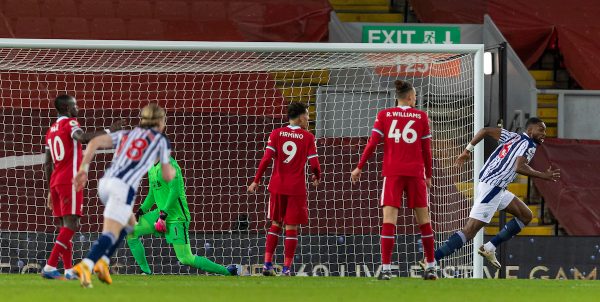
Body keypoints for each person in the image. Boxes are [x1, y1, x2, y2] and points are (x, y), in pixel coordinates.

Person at [434, 117, 560, 269]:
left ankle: (489, 247)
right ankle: (433, 258)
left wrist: (467, 150)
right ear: (530, 130)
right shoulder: (529, 144)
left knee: (526, 215)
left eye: (545, 130)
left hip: (495, 186)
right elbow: (519, 167)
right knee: (469, 232)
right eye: (541, 129)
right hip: (492, 187)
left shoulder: (512, 136)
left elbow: (485, 131)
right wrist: (543, 176)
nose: (544, 133)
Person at [72, 103, 175, 288]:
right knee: (111, 233)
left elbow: (94, 142)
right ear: (161, 122)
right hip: (122, 189)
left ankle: (103, 262)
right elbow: (167, 175)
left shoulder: (127, 134)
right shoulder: (161, 140)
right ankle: (86, 265)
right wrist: (174, 174)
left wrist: (83, 169)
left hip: (104, 184)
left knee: (130, 226)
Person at [351, 80, 437, 280]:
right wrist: (429, 175)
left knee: (389, 221)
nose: (415, 99)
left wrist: (359, 167)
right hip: (416, 173)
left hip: (393, 173)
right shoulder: (422, 117)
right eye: (414, 96)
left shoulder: (384, 115)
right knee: (424, 220)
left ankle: (387, 269)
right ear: (409, 97)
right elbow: (427, 150)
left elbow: (372, 143)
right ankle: (431, 266)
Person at [42, 94, 121, 280]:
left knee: (64, 226)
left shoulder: (50, 131)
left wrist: (48, 190)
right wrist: (110, 130)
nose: (77, 109)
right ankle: (49, 266)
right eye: (75, 106)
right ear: (68, 109)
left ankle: (69, 270)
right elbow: (83, 138)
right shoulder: (70, 123)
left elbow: (47, 164)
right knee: (72, 225)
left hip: (55, 181)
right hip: (69, 180)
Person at [127, 156, 239, 276]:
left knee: (185, 259)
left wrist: (163, 214)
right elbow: (152, 193)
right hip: (160, 213)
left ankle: (227, 271)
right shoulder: (151, 168)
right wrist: (141, 210)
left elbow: (174, 191)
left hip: (176, 217)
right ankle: (145, 271)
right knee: (131, 233)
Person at [248, 102, 321, 276]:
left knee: (275, 224)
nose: (308, 119)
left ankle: (267, 265)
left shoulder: (276, 133)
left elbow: (266, 159)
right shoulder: (308, 137)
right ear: (301, 116)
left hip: (277, 186)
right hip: (296, 188)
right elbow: (314, 163)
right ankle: (287, 269)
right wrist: (317, 176)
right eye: (307, 116)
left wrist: (256, 180)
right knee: (292, 228)